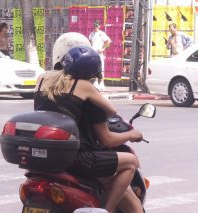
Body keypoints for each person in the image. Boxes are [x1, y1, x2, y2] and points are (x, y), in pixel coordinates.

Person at [34, 32, 143, 213]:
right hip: (77, 159)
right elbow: (111, 118)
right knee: (131, 161)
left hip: (46, 157)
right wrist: (132, 134)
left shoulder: (42, 80)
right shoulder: (83, 87)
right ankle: (106, 210)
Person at [89, 20, 112, 91]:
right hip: (93, 53)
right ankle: (95, 82)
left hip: (99, 53)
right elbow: (90, 42)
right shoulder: (91, 34)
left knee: (101, 68)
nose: (95, 27)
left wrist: (103, 49)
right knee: (94, 68)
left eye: (97, 25)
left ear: (99, 26)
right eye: (94, 25)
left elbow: (109, 41)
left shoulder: (102, 34)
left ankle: (102, 83)